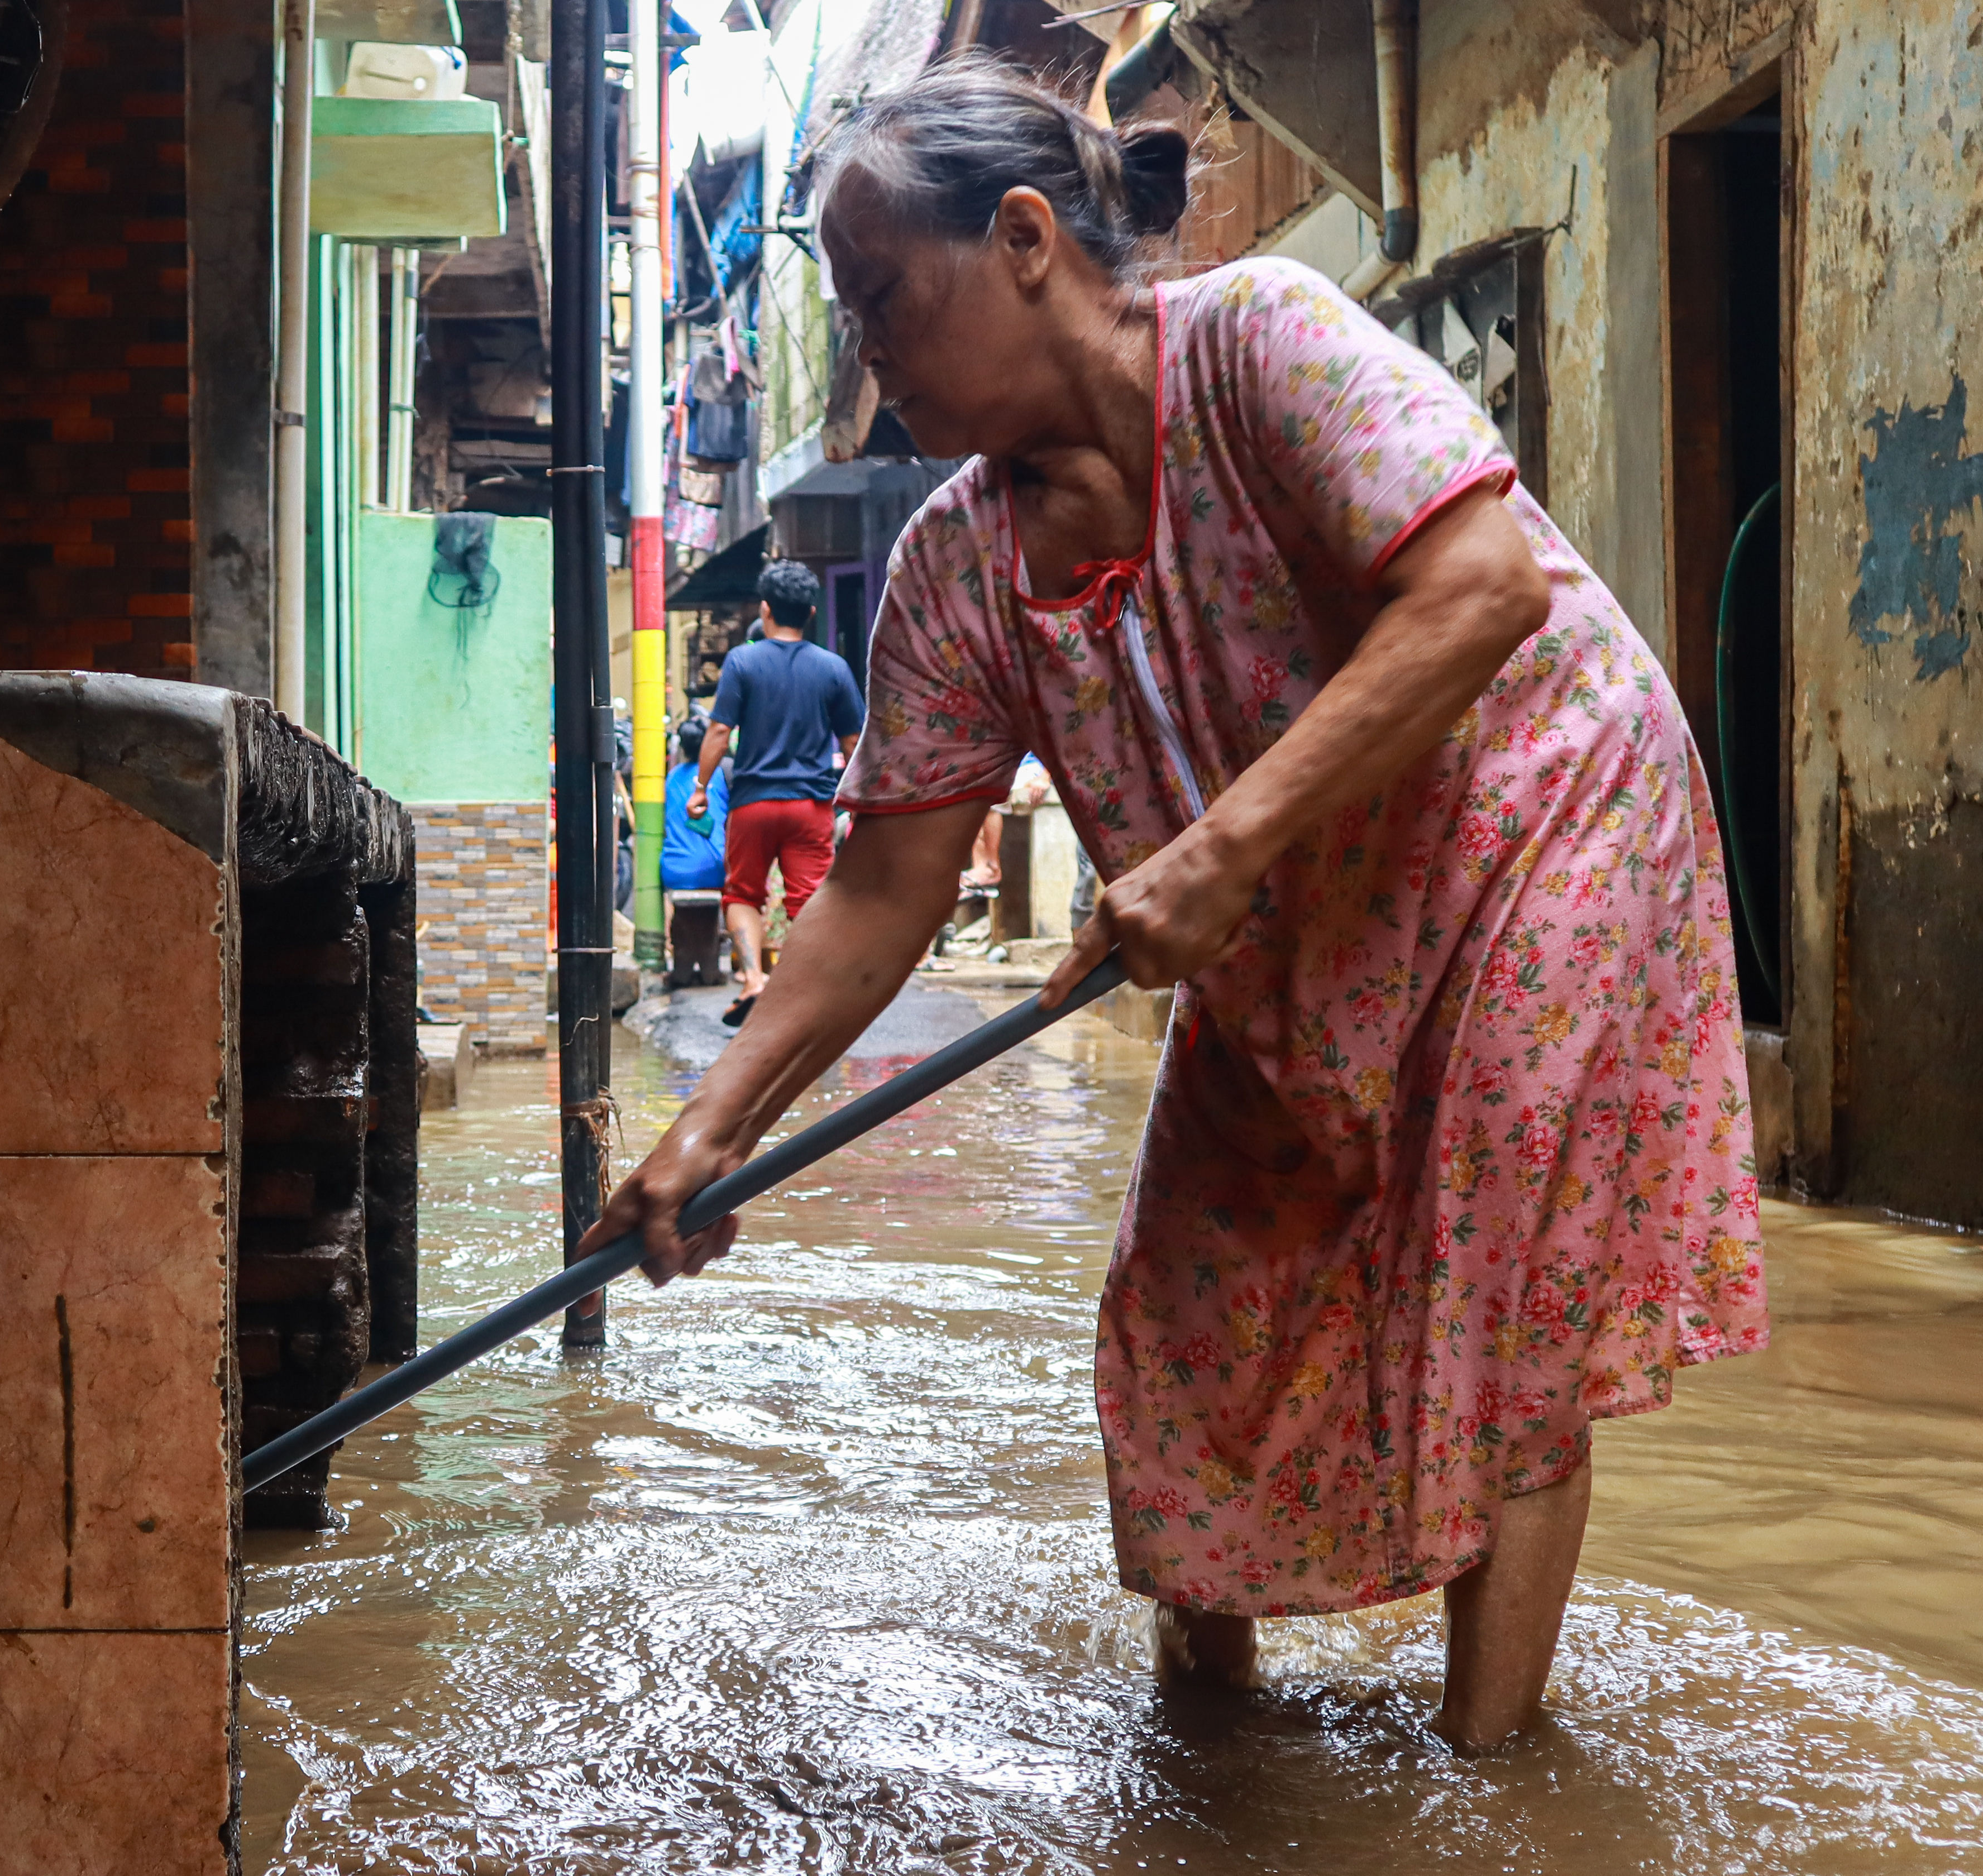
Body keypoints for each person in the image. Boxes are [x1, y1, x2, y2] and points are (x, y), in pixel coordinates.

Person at [582, 58, 1765, 1752]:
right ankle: (1213, 1752)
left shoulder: (1261, 340)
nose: (870, 358)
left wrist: (1214, 858)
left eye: (884, 302)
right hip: (1298, 895)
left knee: (1483, 1282)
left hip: (1534, 812)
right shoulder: (951, 568)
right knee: (1188, 1300)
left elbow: (1484, 586)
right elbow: (889, 886)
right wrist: (712, 1124)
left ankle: (1489, 1790)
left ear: (1023, 240)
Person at [692, 559, 865, 1023]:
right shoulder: (833, 668)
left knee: (742, 895)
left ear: (765, 609)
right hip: (811, 807)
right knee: (809, 899)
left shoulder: (743, 661)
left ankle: (754, 980)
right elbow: (854, 745)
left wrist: (700, 788)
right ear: (810, 612)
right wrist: (861, 802)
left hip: (753, 805)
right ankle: (810, 992)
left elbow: (718, 733)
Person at [661, 713, 728, 893]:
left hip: (674, 870)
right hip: (715, 869)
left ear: (682, 747)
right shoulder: (721, 774)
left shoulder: (672, 777)